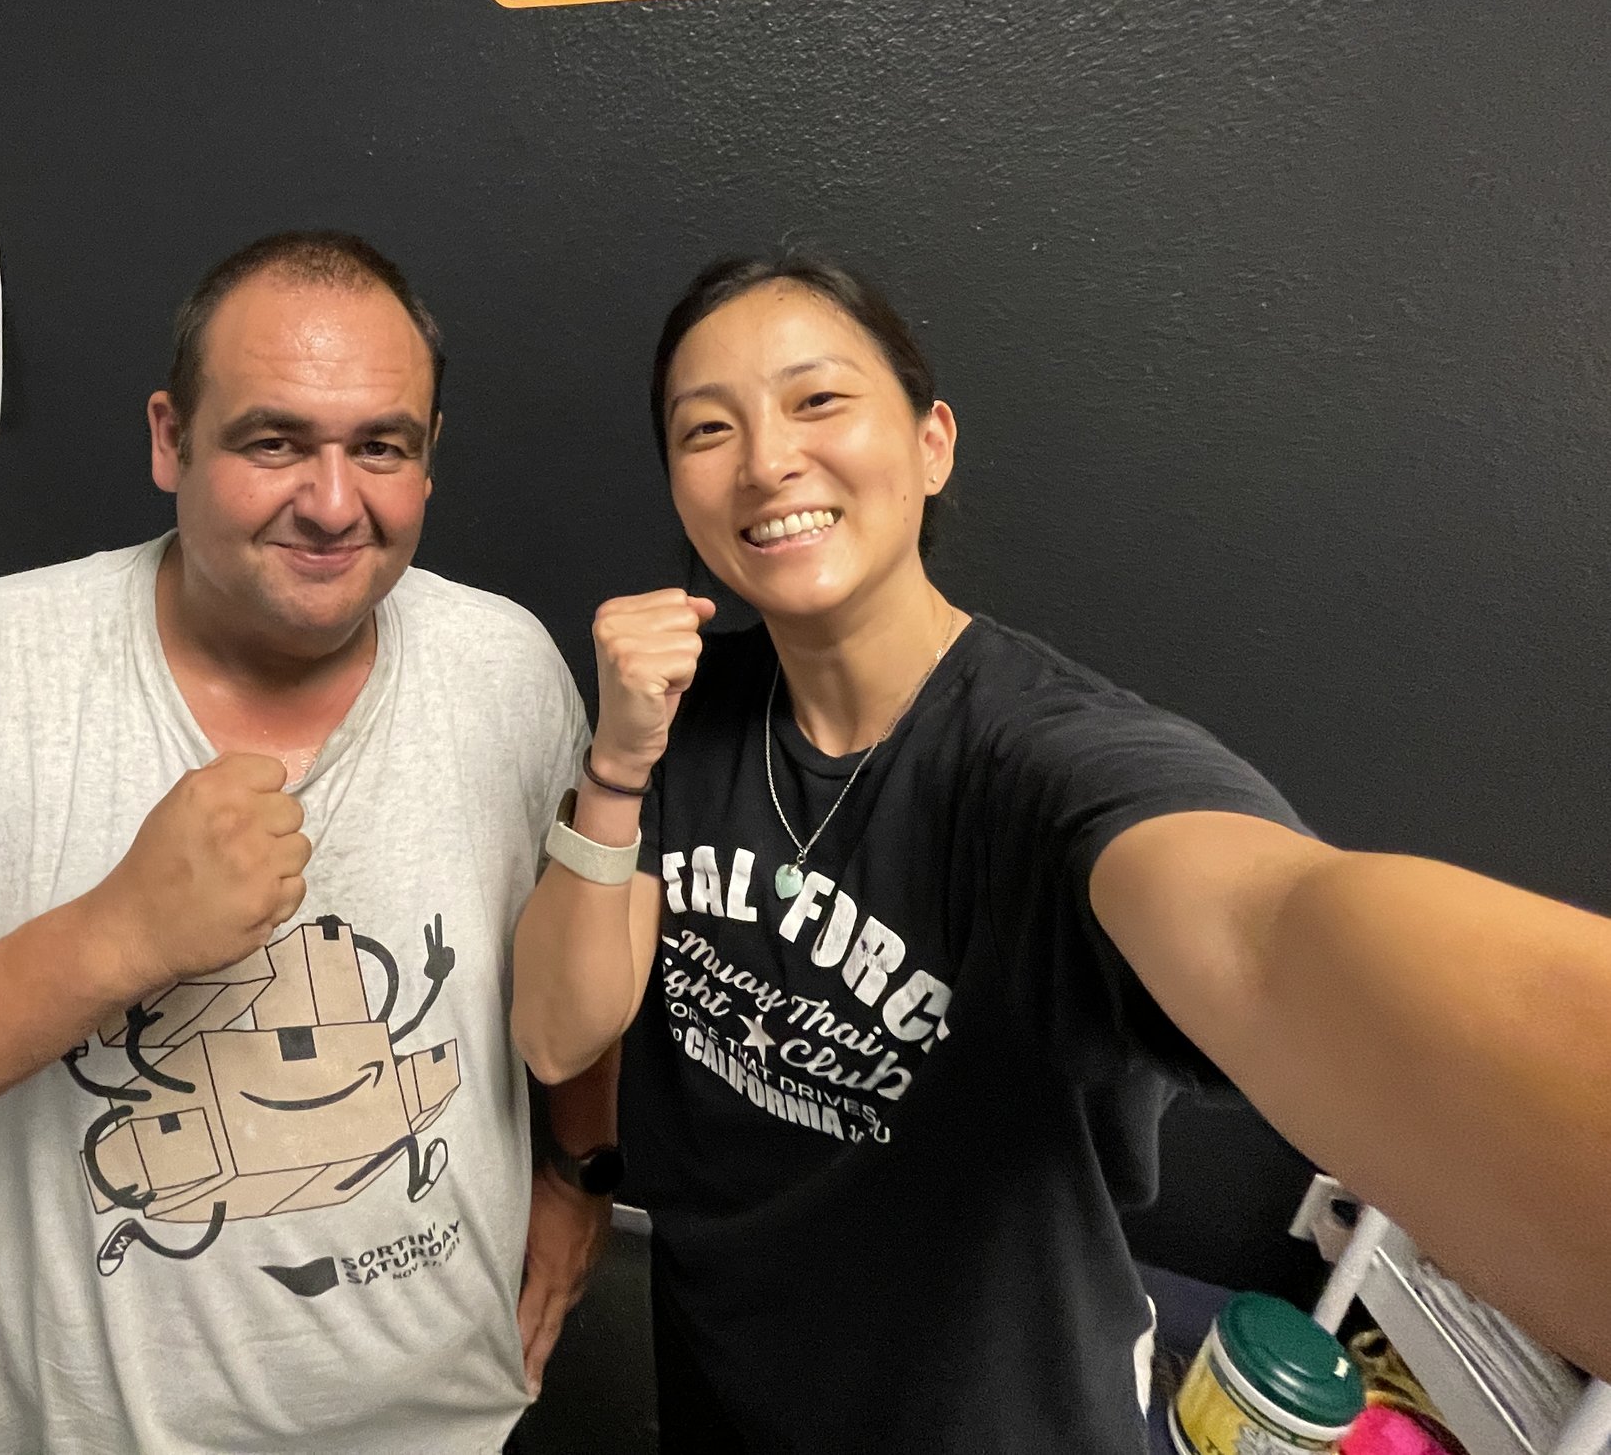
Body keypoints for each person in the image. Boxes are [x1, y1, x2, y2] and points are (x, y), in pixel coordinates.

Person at [511, 253, 1611, 1454]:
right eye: (706, 428)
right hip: (725, 1373)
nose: (767, 459)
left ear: (931, 444)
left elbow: (1270, 929)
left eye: (817, 401)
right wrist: (614, 769)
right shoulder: (677, 719)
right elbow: (563, 1032)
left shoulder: (1052, 760)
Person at [0, 231, 613, 1454]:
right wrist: (115, 937)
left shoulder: (505, 666)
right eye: (275, 440)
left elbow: (574, 969)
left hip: (448, 1418)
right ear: (168, 438)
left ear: (428, 461)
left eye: (381, 448)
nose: (335, 503)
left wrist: (576, 1182)